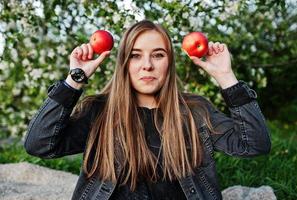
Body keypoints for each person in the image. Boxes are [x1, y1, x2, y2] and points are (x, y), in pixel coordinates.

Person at [24, 20, 271, 200]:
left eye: (158, 55)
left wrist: (226, 77)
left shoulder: (195, 111)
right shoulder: (99, 111)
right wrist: (74, 80)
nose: (147, 66)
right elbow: (39, 145)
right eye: (135, 56)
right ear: (124, 63)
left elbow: (254, 145)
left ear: (169, 63)